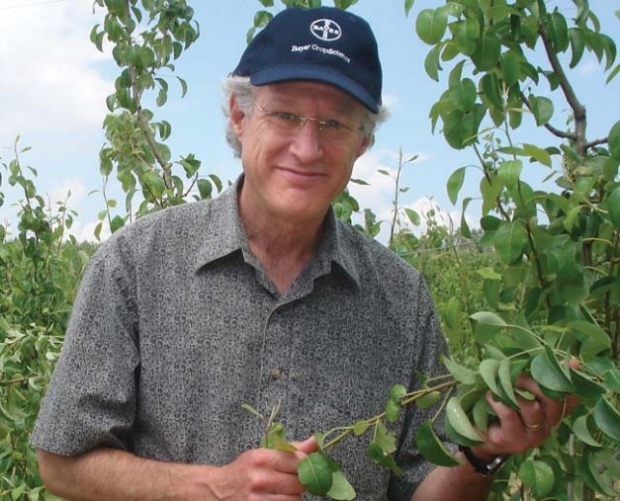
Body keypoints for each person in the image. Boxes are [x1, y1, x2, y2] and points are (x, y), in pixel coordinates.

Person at [32, 6, 574, 500]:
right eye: (286, 115)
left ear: (362, 143)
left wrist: (481, 452)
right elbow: (61, 462)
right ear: (239, 117)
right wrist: (211, 487)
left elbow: (421, 488)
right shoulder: (136, 263)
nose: (308, 147)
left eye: (335, 123)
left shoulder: (402, 298)